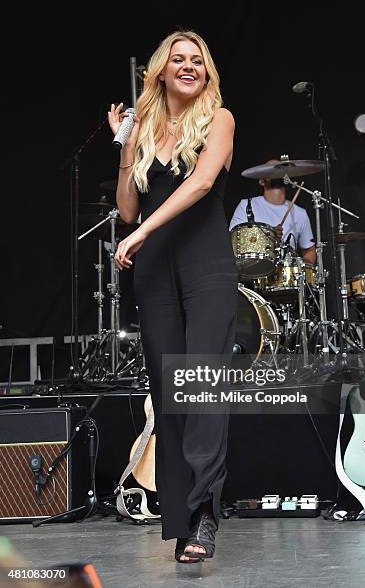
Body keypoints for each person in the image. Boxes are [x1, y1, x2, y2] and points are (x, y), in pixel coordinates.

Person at [108, 30, 238, 563]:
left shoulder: (220, 120)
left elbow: (202, 183)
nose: (189, 67)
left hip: (206, 268)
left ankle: (206, 513)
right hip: (155, 275)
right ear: (160, 71)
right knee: (169, 398)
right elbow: (127, 211)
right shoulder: (144, 127)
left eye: (198, 61)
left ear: (206, 72)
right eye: (178, 60)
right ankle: (183, 523)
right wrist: (125, 146)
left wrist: (140, 235)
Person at [229, 161, 316, 264]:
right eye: (271, 170)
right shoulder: (247, 205)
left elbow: (309, 251)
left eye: (280, 169)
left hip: (287, 276)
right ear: (261, 180)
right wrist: (269, 235)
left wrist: (300, 268)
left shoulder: (299, 213)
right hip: (254, 273)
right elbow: (233, 241)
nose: (276, 172)